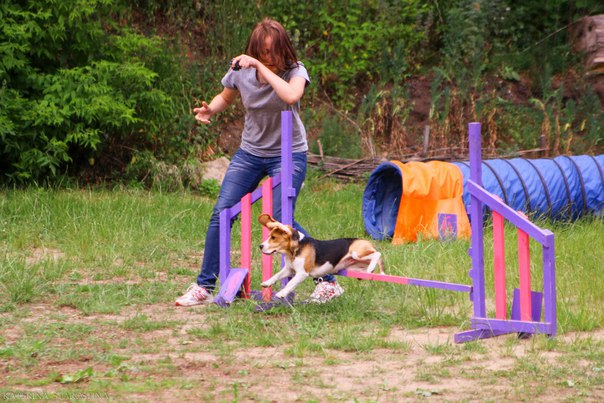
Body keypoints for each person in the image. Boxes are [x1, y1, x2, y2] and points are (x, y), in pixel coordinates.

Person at [176, 18, 344, 306]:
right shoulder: (241, 72)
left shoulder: (296, 71)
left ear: (284, 48)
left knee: (281, 219)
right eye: (264, 52)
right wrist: (210, 109)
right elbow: (225, 97)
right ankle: (204, 286)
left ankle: (327, 281)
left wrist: (258, 64)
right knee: (221, 213)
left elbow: (291, 95)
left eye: (274, 51)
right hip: (250, 153)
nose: (270, 57)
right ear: (255, 49)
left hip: (289, 154)